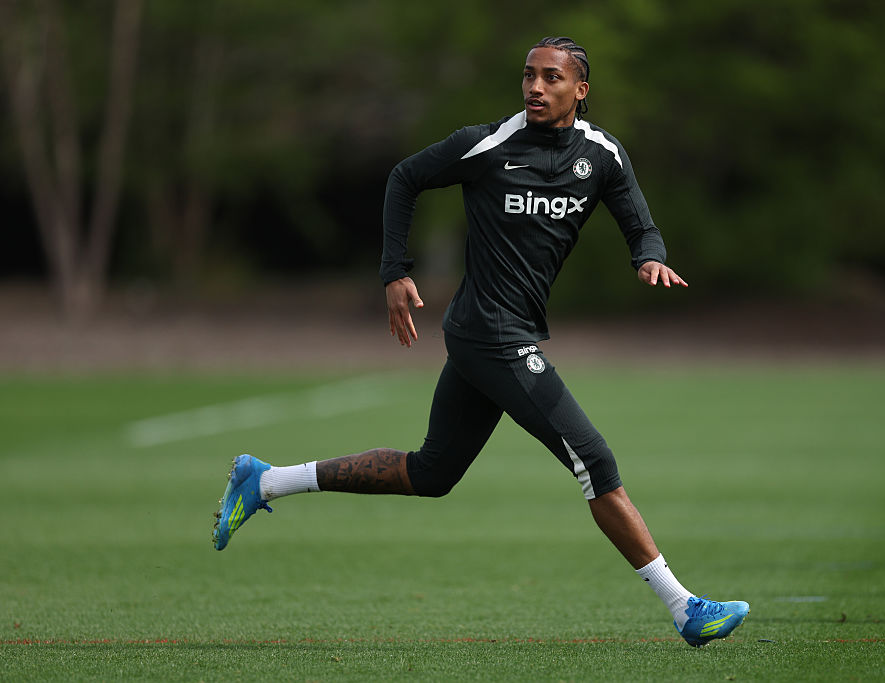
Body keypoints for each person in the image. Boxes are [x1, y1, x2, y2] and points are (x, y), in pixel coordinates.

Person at [212, 36, 748, 648]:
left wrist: (649, 257)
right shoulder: (487, 144)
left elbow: (639, 223)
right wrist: (394, 272)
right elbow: (404, 178)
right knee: (594, 461)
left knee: (432, 472)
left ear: (581, 90)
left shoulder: (601, 154)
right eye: (528, 75)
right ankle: (684, 609)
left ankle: (265, 480)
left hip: (488, 333)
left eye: (551, 78)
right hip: (492, 333)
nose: (535, 87)